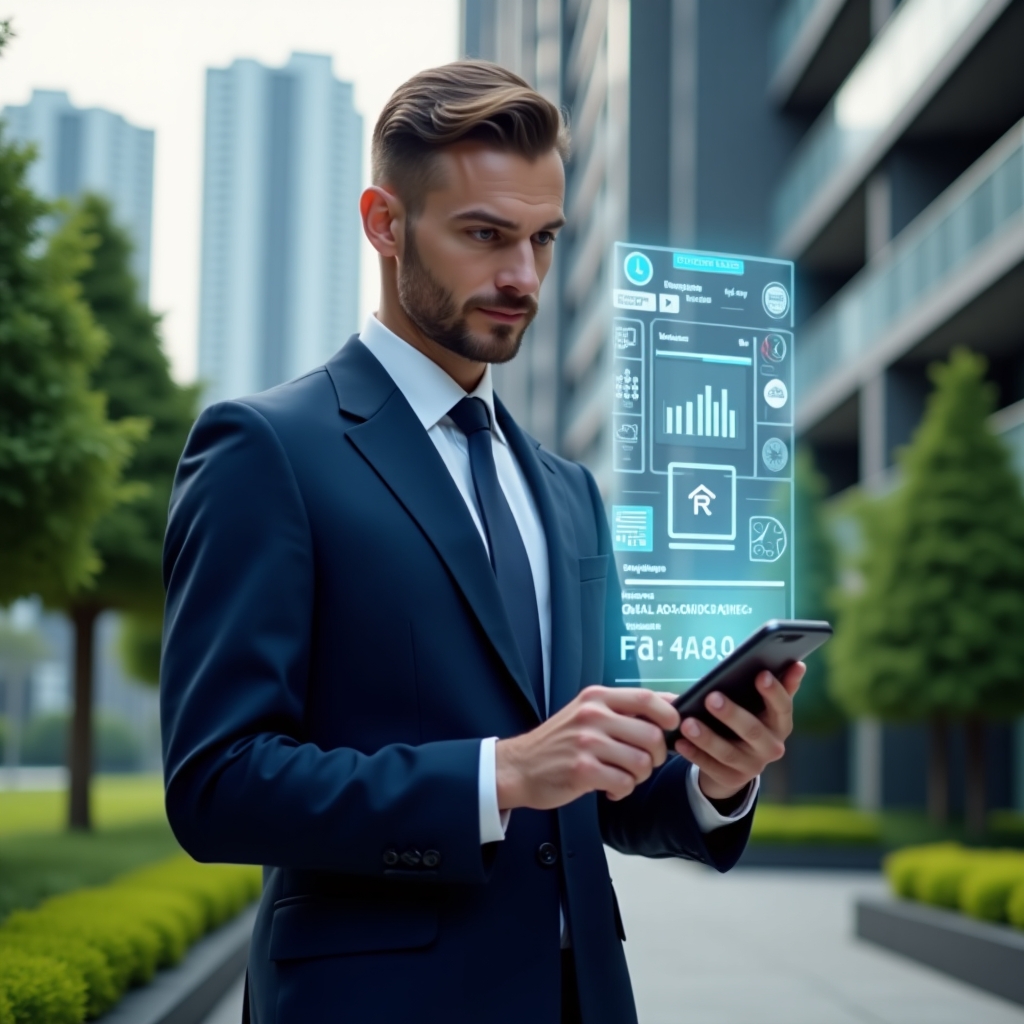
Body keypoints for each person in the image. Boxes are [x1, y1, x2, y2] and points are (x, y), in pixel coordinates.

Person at [160, 61, 804, 1024]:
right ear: (384, 223)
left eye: (544, 238)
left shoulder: (569, 492)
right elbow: (215, 785)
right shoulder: (266, 450)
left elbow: (609, 789)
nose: (524, 277)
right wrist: (498, 774)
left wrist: (717, 777)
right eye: (485, 236)